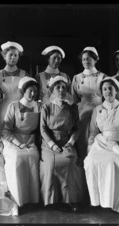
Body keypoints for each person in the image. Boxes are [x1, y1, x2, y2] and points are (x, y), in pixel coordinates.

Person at [84, 77, 119, 214]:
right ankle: (98, 200)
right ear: (102, 92)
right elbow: (93, 131)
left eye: (110, 88)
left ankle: (113, 201)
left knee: (112, 163)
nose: (108, 91)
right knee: (90, 162)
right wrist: (90, 148)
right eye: (105, 89)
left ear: (116, 91)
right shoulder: (97, 109)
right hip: (101, 143)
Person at [40, 75, 84, 211]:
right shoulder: (46, 107)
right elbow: (43, 128)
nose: (61, 90)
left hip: (67, 141)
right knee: (51, 164)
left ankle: (70, 200)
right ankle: (51, 200)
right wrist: (52, 144)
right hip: (49, 143)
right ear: (52, 89)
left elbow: (77, 127)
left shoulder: (72, 107)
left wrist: (71, 141)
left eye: (63, 87)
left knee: (70, 163)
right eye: (57, 87)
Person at [1, 77, 41, 207]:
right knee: (18, 157)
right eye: (30, 91)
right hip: (13, 141)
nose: (33, 94)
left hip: (30, 140)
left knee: (33, 157)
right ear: (24, 91)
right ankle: (18, 199)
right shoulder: (14, 106)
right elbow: (5, 130)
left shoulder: (39, 106)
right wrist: (18, 144)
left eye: (35, 91)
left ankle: (32, 198)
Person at [71, 46, 108, 162]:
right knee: (82, 140)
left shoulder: (103, 77)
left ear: (95, 60)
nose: (86, 61)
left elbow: (108, 97)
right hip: (82, 112)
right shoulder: (76, 78)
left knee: (97, 140)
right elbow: (74, 99)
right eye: (84, 59)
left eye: (89, 59)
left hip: (99, 111)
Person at [0, 41, 29, 130]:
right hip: (4, 108)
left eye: (15, 55)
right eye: (10, 55)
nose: (13, 57)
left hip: (20, 107)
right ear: (4, 56)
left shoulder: (24, 74)